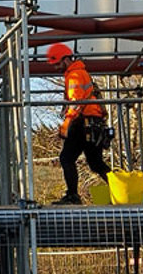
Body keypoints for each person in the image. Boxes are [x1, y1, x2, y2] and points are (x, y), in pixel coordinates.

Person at [45, 43, 110, 205]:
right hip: (93, 123)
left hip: (82, 122)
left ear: (66, 60)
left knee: (66, 158)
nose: (56, 68)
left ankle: (73, 195)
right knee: (96, 163)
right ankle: (122, 190)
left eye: (58, 64)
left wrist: (67, 123)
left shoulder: (74, 75)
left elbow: (76, 102)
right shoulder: (82, 73)